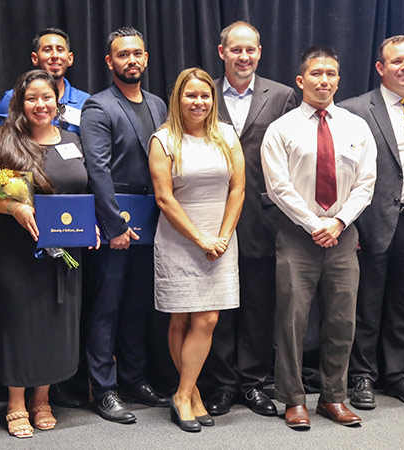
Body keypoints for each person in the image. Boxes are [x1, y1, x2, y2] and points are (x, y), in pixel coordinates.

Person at [261, 46, 377, 429]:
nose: (324, 80)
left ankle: (334, 397)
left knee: (343, 320)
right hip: (297, 235)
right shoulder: (281, 129)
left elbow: (366, 183)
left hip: (343, 234)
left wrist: (339, 222)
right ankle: (293, 400)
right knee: (292, 321)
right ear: (301, 80)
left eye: (330, 74)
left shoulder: (356, 126)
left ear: (338, 81)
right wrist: (314, 224)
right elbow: (278, 187)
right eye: (316, 74)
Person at [0, 70, 90, 438]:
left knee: (55, 324)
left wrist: (92, 228)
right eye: (32, 99)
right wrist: (14, 207)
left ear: (57, 99)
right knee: (19, 324)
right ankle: (15, 402)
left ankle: (42, 398)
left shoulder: (73, 139)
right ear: (20, 104)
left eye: (47, 97)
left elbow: (83, 191)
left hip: (65, 253)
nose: (41, 104)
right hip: (17, 252)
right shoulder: (3, 140)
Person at [338, 35, 404, 409]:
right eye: (396, 62)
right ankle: (362, 376)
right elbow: (344, 171)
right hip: (371, 223)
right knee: (367, 304)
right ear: (380, 68)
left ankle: (399, 374)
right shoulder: (355, 109)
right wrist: (351, 223)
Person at [202, 20, 297, 418]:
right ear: (222, 52)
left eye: (251, 50)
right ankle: (223, 385)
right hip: (211, 215)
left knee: (259, 305)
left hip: (263, 215)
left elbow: (294, 154)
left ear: (260, 52)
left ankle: (254, 383)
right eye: (236, 50)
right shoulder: (201, 92)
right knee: (219, 304)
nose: (244, 57)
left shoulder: (283, 95)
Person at [148, 68, 245, 432]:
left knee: (207, 319)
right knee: (181, 318)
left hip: (221, 239)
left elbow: (238, 190)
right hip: (179, 240)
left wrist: (220, 236)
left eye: (205, 96)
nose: (198, 102)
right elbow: (164, 198)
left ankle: (184, 393)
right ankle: (190, 396)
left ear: (213, 99)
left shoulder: (227, 135)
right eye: (191, 95)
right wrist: (200, 239)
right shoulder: (163, 140)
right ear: (178, 98)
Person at [81, 26, 169, 424]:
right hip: (114, 226)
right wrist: (113, 225)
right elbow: (96, 169)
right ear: (109, 62)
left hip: (153, 224)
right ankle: (104, 389)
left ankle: (134, 379)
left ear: (146, 58)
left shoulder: (158, 105)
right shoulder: (98, 107)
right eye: (122, 55)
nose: (130, 60)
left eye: (137, 54)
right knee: (106, 310)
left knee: (137, 306)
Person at [0, 27, 90, 135]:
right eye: (47, 50)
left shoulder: (85, 102)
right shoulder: (13, 98)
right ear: (35, 58)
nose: (55, 56)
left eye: (60, 50)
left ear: (70, 58)